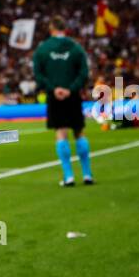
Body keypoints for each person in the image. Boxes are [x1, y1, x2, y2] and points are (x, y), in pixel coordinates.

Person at [32, 16, 93, 187]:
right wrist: (71, 89)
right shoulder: (75, 48)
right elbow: (84, 72)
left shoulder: (43, 49)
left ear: (51, 28)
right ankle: (87, 174)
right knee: (79, 131)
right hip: (72, 96)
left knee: (61, 132)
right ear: (65, 28)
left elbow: (38, 74)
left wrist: (54, 88)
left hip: (55, 96)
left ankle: (69, 176)